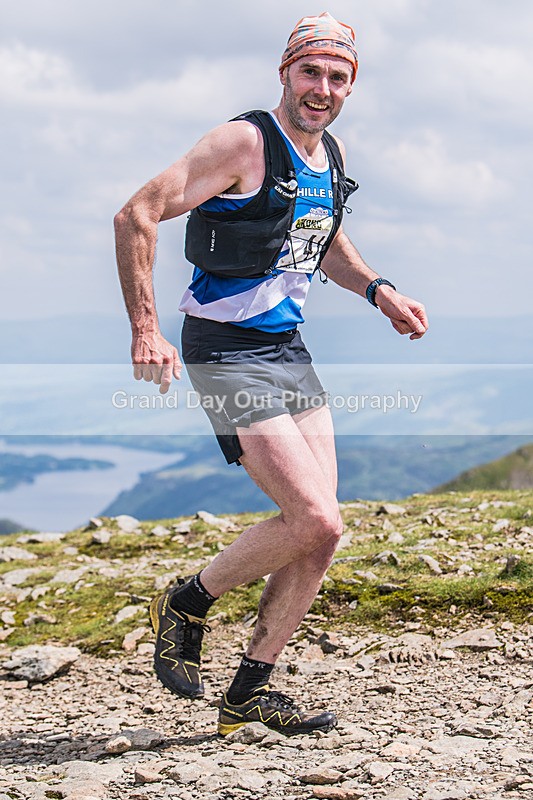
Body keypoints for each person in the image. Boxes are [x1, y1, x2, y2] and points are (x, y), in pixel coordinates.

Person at [114, 11, 428, 737]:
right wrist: (145, 329)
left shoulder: (328, 154)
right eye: (310, 71)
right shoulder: (244, 142)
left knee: (321, 535)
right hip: (225, 348)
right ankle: (187, 602)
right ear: (285, 73)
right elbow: (137, 215)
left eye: (337, 77)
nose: (322, 88)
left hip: (287, 347)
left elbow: (321, 236)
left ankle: (249, 691)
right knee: (314, 516)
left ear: (351, 86)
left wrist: (378, 290)